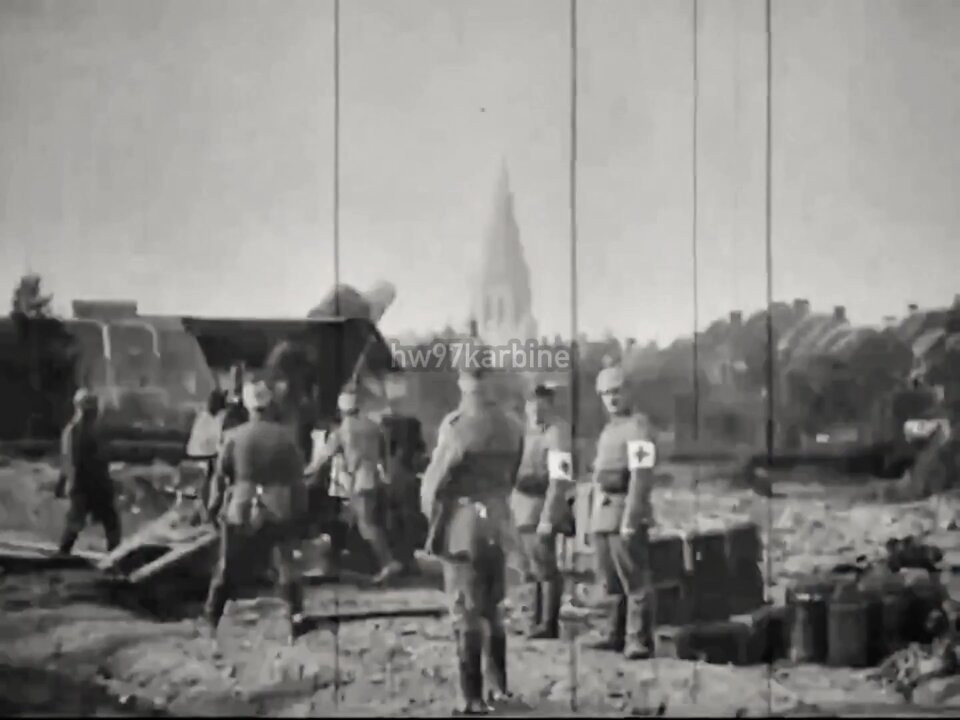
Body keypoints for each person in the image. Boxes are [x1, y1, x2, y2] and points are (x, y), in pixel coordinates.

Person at [420, 354, 525, 714]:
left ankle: (471, 698)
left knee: (465, 610)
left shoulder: (457, 426)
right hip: (499, 521)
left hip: (464, 526)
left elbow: (433, 486)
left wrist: (435, 522)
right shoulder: (512, 425)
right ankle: (499, 688)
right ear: (491, 377)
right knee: (493, 608)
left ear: (463, 380)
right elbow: (512, 476)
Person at [202, 380, 309, 644]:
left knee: (226, 565)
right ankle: (296, 617)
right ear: (270, 405)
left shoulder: (233, 436)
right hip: (278, 505)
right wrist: (300, 511)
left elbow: (220, 478)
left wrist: (212, 508)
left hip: (241, 504)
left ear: (247, 406)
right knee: (285, 564)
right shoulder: (285, 437)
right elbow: (298, 479)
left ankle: (211, 619)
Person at [586, 357, 658, 660]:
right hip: (604, 513)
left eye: (617, 391)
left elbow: (641, 476)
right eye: (606, 393)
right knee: (610, 579)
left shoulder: (639, 428)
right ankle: (613, 634)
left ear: (629, 392)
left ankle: (637, 639)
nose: (612, 399)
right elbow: (597, 478)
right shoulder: (608, 431)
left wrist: (632, 517)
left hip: (624, 509)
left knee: (634, 579)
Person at [305, 383, 403, 584]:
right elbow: (385, 457)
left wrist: (305, 472)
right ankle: (332, 564)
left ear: (341, 409)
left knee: (368, 525)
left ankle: (388, 562)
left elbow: (322, 459)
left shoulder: (342, 431)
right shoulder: (375, 427)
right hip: (376, 479)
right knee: (345, 521)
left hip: (358, 483)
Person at [510, 381, 573, 640]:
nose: (536, 412)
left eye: (542, 406)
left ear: (550, 405)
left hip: (542, 503)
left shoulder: (558, 434)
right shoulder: (524, 432)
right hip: (521, 505)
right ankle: (532, 618)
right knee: (528, 566)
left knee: (545, 566)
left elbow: (560, 478)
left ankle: (548, 623)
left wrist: (549, 516)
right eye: (532, 406)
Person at [56, 388, 121, 555]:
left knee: (110, 522)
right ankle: (62, 554)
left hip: (95, 484)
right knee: (77, 523)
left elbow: (101, 459)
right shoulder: (75, 431)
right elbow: (69, 460)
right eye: (90, 409)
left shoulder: (91, 431)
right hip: (84, 485)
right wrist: (65, 482)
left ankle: (115, 555)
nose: (93, 413)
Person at [378, 372, 428, 574]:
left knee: (393, 518)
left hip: (390, 474)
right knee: (408, 518)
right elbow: (420, 451)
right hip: (407, 475)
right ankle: (407, 559)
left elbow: (380, 452)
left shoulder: (383, 424)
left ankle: (400, 559)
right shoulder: (412, 423)